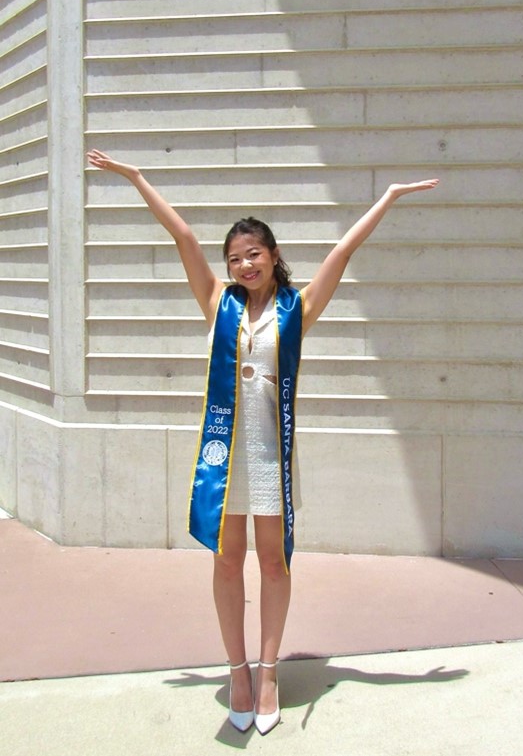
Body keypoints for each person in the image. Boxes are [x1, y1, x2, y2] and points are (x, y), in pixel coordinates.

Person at [86, 148, 439, 734]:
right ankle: (238, 670)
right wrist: (135, 177)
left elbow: (342, 252)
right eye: (236, 258)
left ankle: (270, 669)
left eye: (254, 254)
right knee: (227, 562)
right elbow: (183, 238)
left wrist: (390, 195)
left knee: (272, 563)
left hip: (271, 457)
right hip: (225, 460)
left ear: (274, 256)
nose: (245, 264)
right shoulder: (216, 304)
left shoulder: (296, 310)